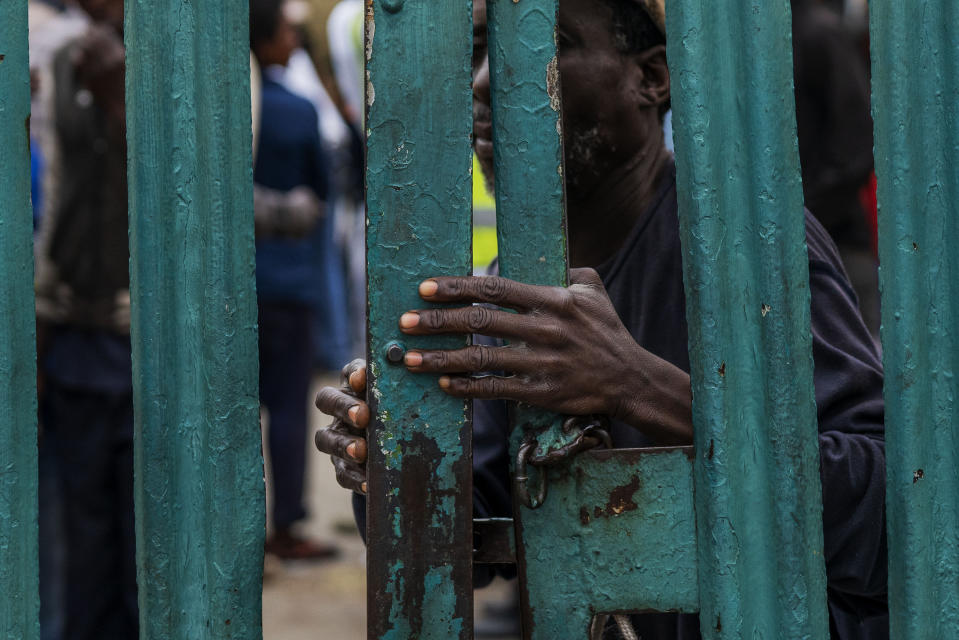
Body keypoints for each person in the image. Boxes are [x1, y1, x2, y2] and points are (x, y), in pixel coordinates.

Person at [315, 0, 887, 637]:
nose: (484, 79)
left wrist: (636, 385)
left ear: (653, 78)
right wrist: (387, 461)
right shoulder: (515, 282)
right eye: (477, 51)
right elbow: (470, 538)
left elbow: (894, 503)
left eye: (543, 44)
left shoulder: (741, 244)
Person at [34, 0, 138, 637]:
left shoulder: (198, 63)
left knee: (146, 542)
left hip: (150, 341)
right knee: (83, 542)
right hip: (77, 337)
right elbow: (58, 199)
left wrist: (119, 100)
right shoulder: (64, 58)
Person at [250, 0, 339, 560]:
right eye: (288, 30)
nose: (295, 38)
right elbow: (322, 190)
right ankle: (286, 526)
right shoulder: (298, 109)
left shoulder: (226, 107)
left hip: (237, 285)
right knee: (287, 407)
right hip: (287, 282)